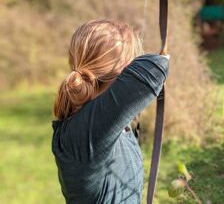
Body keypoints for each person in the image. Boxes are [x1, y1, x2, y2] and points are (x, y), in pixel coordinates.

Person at [52, 19, 169, 204]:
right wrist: (163, 58)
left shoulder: (103, 124)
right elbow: (151, 71)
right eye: (131, 60)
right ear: (121, 69)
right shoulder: (83, 134)